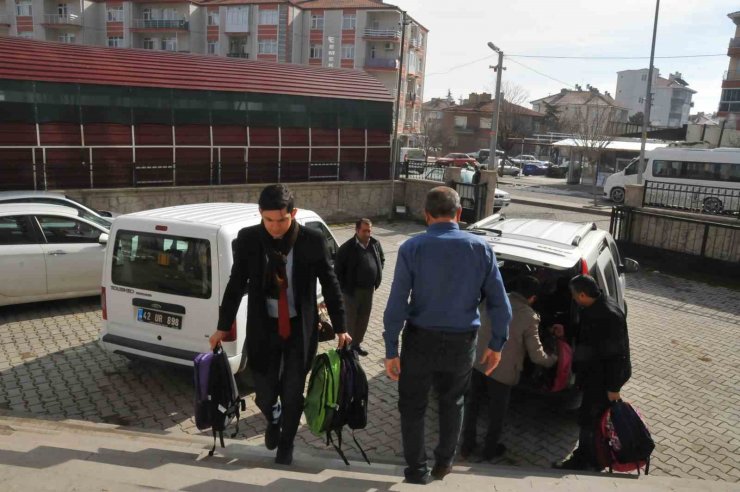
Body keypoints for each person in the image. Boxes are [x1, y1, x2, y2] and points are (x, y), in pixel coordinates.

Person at [209, 184, 350, 466]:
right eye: (268, 220)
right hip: (264, 327)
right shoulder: (249, 240)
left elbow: (331, 284)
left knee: (293, 389)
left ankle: (286, 443)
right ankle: (273, 417)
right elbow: (236, 283)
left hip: (300, 327)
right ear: (260, 214)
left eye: (282, 220)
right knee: (265, 391)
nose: (275, 227)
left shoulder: (311, 240)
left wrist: (341, 326)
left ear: (293, 213)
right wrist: (222, 326)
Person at [383, 186, 512, 485]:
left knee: (412, 405)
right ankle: (444, 463)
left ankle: (416, 470)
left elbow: (396, 303)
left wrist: (391, 348)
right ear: (459, 214)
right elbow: (500, 304)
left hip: (419, 340)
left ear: (426, 215)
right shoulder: (481, 248)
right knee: (452, 401)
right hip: (462, 341)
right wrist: (497, 344)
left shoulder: (411, 248)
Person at [461, 276, 558, 460]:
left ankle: (467, 445)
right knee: (496, 414)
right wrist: (554, 359)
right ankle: (489, 450)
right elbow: (537, 356)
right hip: (502, 373)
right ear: (532, 298)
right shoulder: (529, 316)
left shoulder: (492, 298)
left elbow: (475, 321)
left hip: (477, 363)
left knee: (471, 406)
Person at [553, 274, 631, 471]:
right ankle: (592, 460)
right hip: (592, 376)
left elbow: (617, 356)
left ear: (582, 294)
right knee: (590, 421)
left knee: (591, 422)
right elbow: (585, 334)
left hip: (602, 381)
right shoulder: (593, 307)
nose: (572, 298)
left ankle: (585, 461)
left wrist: (613, 388)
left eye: (573, 295)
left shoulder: (609, 315)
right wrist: (567, 332)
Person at [334, 218, 385, 357]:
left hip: (368, 291)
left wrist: (376, 276)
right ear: (357, 230)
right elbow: (338, 271)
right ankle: (346, 348)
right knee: (351, 320)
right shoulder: (346, 248)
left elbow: (382, 259)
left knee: (363, 319)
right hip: (351, 292)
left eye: (369, 230)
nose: (368, 234)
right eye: (364, 231)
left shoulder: (375, 244)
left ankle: (356, 345)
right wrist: (343, 288)